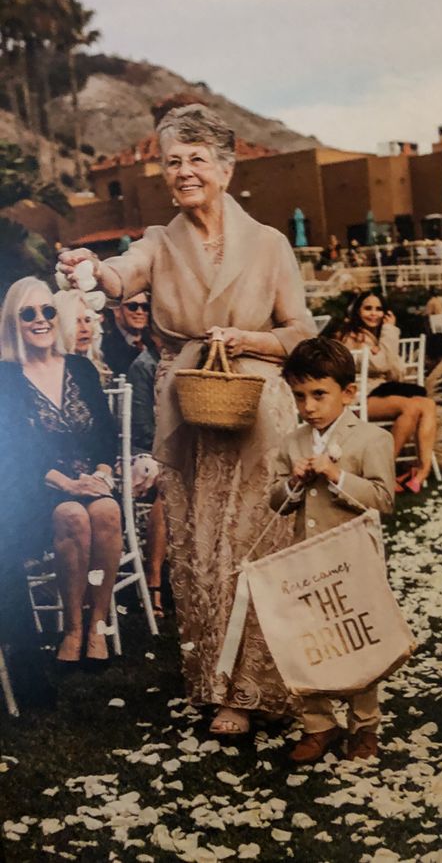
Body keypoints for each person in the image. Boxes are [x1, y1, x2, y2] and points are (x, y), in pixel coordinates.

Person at [58, 103, 315, 735]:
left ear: (226, 170)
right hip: (189, 410)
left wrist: (249, 342)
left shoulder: (271, 244)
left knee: (255, 540)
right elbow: (119, 276)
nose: (184, 172)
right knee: (202, 547)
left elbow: (301, 330)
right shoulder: (158, 241)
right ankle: (218, 684)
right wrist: (89, 269)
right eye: (173, 161)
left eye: (197, 159)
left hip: (258, 409)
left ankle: (265, 680)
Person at [270, 338, 394, 762]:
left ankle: (364, 726)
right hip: (307, 560)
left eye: (319, 394)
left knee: (357, 641)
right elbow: (277, 500)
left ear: (348, 393)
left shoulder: (371, 438)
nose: (309, 406)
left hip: (354, 560)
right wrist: (294, 483)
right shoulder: (292, 443)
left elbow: (383, 499)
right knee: (309, 642)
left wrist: (337, 476)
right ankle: (318, 724)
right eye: (300, 396)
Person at [0, 277, 123, 665]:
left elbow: (106, 434)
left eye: (48, 311)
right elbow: (18, 453)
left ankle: (97, 624)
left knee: (106, 511)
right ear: (13, 323)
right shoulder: (6, 378)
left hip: (91, 481)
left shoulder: (80, 368)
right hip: (40, 491)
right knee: (72, 515)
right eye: (28, 313)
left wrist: (102, 475)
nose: (41, 320)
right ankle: (72, 627)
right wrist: (68, 484)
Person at [336, 291, 438, 493]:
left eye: (378, 309)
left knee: (428, 404)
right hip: (360, 398)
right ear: (358, 310)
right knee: (409, 408)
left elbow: (395, 371)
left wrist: (384, 349)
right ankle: (383, 472)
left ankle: (421, 471)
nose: (374, 314)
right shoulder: (352, 336)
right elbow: (384, 365)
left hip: (379, 392)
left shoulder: (376, 337)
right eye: (368, 308)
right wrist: (390, 332)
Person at [128, 329, 167, 620]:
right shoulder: (144, 366)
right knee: (169, 486)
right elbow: (142, 428)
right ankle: (154, 582)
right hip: (146, 453)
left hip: (176, 449)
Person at [54, 288, 110, 382]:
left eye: (87, 320)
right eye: (76, 322)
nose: (84, 329)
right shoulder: (54, 373)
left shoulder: (101, 369)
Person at [102, 292, 150, 377]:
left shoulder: (155, 343)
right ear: (117, 311)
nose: (140, 312)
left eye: (145, 307)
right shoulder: (104, 346)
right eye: (132, 307)